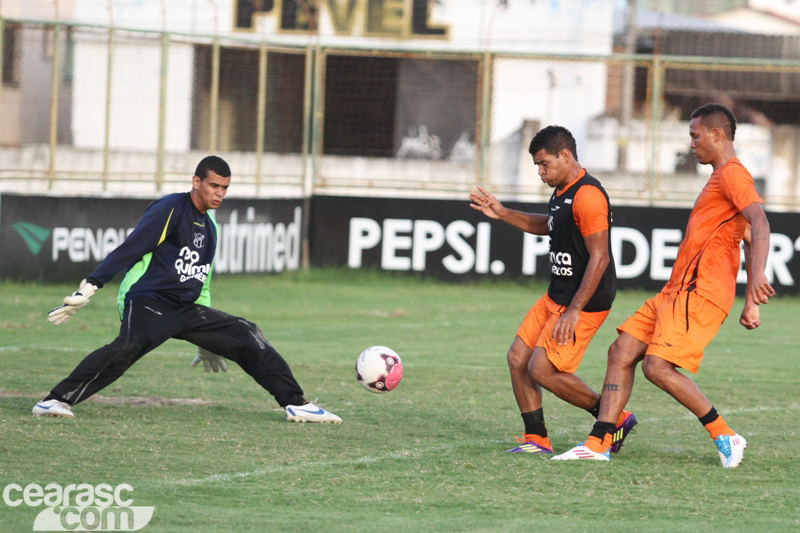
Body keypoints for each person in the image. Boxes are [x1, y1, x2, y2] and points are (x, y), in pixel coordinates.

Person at [33, 155, 342, 424]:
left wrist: (209, 341)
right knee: (128, 348)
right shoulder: (170, 208)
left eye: (224, 188)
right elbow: (131, 248)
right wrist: (89, 287)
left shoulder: (211, 226)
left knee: (247, 333)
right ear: (196, 181)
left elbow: (201, 280)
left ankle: (296, 404)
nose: (219, 193)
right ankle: (54, 400)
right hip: (148, 300)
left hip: (183, 309)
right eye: (213, 186)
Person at [552, 103, 774, 467]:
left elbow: (760, 223)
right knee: (621, 351)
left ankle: (725, 434)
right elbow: (747, 235)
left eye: (695, 135)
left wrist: (757, 281)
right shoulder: (720, 178)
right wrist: (751, 300)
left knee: (656, 366)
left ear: (717, 135)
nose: (692, 143)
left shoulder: (734, 174)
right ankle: (597, 444)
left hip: (699, 293)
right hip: (675, 292)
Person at [469, 125, 636, 455]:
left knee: (542, 369)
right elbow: (545, 225)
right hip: (557, 293)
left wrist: (573, 312)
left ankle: (613, 416)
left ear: (566, 155)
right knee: (518, 357)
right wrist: (503, 213)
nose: (540, 172)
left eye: (544, 164)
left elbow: (600, 258)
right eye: (536, 166)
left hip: (584, 303)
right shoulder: (562, 191)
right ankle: (537, 438)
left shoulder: (588, 195)